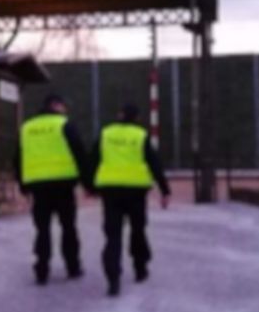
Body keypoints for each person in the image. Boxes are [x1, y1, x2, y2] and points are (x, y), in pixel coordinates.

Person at [91, 104, 170, 297]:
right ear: (137, 117)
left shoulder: (105, 133)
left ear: (119, 115)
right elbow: (154, 163)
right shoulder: (140, 135)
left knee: (113, 234)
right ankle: (140, 268)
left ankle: (113, 278)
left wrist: (89, 186)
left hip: (110, 190)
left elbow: (92, 159)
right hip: (136, 191)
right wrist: (164, 190)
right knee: (138, 229)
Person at [15, 93, 91, 285]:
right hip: (63, 185)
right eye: (64, 106)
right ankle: (72, 267)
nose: (65, 109)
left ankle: (41, 271)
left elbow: (17, 158)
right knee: (68, 228)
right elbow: (79, 154)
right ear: (56, 105)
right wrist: (88, 183)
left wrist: (23, 185)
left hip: (38, 187)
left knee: (42, 230)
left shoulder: (27, 127)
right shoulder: (64, 124)